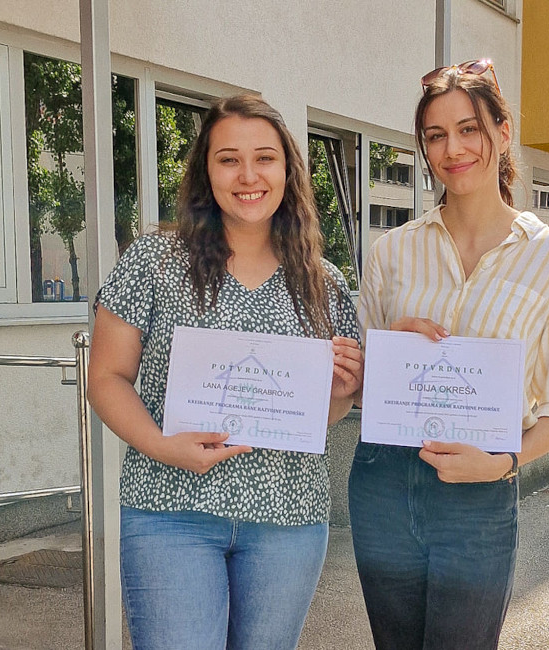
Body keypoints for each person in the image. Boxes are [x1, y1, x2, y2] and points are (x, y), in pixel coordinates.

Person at [87, 94, 363, 650]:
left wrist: (342, 391)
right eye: (228, 159)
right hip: (171, 509)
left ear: (287, 170)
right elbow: (106, 377)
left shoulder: (324, 281)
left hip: (287, 516)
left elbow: (323, 415)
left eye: (264, 158)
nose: (248, 176)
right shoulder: (155, 260)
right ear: (205, 171)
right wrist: (162, 446)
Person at [349, 59, 549, 649]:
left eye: (468, 129)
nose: (452, 149)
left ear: (503, 133)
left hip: (479, 493)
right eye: (436, 135)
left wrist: (502, 464)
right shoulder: (391, 252)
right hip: (384, 482)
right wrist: (385, 351)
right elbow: (358, 389)